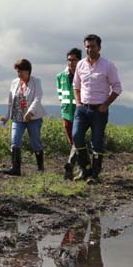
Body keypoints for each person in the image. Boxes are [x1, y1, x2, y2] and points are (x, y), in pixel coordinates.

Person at [72, 34, 122, 183]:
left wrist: (105, 105)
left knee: (96, 141)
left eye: (92, 46)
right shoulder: (80, 64)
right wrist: (78, 102)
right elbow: (76, 85)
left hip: (99, 110)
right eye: (87, 46)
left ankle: (94, 174)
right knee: (76, 136)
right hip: (82, 108)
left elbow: (117, 87)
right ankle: (85, 168)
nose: (90, 49)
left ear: (99, 47)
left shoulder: (108, 65)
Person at [0, 59, 44, 176]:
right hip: (17, 117)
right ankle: (15, 168)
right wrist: (6, 116)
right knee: (15, 140)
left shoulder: (36, 82)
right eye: (17, 71)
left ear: (28, 71)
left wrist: (30, 112)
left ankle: (40, 167)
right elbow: (11, 102)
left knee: (35, 141)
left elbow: (37, 98)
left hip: (33, 118)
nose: (19, 74)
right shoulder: (14, 82)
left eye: (21, 71)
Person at [58, 48, 82, 180]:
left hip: (80, 111)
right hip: (66, 113)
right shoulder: (60, 76)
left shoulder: (83, 75)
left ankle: (70, 164)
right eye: (69, 60)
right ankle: (80, 167)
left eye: (74, 60)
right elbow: (60, 94)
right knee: (73, 142)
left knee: (77, 139)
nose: (71, 63)